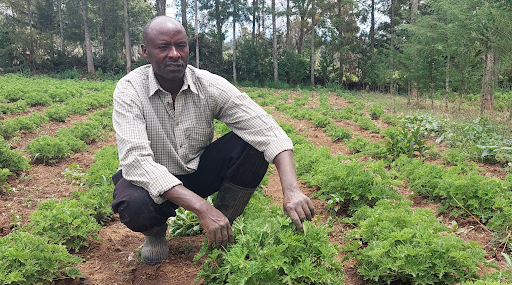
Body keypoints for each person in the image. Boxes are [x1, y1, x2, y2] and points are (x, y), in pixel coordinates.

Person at [111, 15, 315, 265]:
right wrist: (202, 208)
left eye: (181, 46)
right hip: (151, 180)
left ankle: (222, 224)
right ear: (145, 52)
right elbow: (136, 161)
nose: (175, 54)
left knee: (254, 144)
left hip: (196, 171)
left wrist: (292, 191)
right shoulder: (130, 89)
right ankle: (154, 233)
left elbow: (268, 130)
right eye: (163, 47)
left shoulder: (209, 85)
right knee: (132, 203)